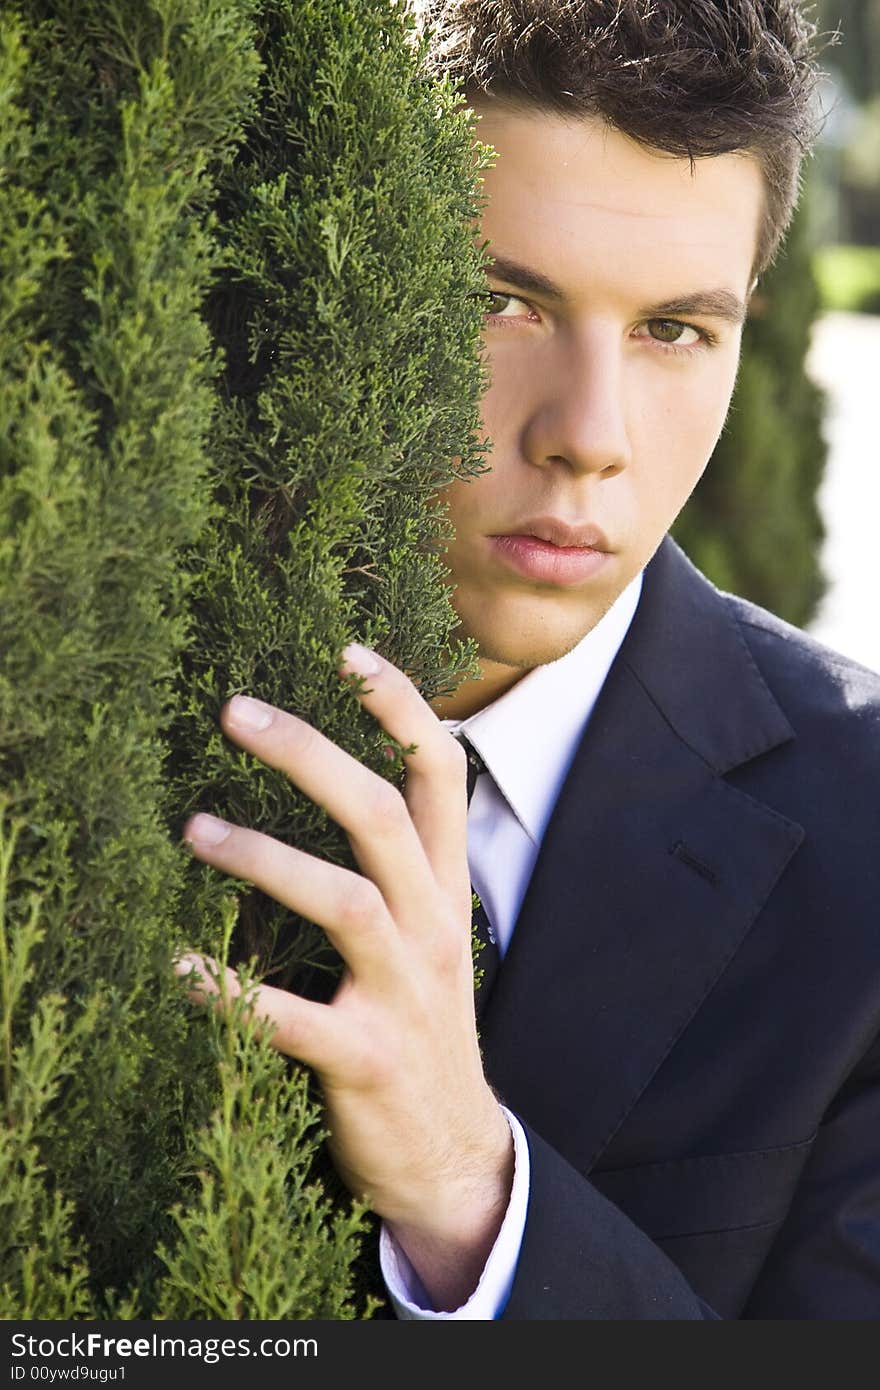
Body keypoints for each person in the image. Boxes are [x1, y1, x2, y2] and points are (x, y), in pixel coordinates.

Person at [178, 0, 880, 1319]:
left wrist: (470, 1190)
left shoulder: (869, 836)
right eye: (499, 302)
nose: (590, 435)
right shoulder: (93, 698)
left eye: (675, 329)